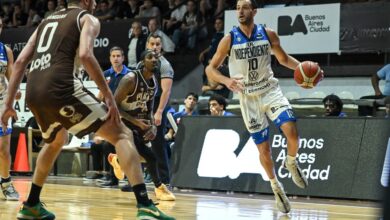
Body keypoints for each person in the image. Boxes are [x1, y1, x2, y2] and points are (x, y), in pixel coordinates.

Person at [1, 1, 174, 219]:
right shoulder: (86, 18)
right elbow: (85, 54)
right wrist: (109, 96)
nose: (95, 3)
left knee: (56, 140)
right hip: (62, 85)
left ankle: (31, 204)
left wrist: (7, 104)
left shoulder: (45, 21)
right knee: (122, 134)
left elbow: (20, 63)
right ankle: (145, 205)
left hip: (34, 91)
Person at [206, 0, 313, 213]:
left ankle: (291, 162)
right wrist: (226, 81)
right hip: (248, 99)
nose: (240, 11)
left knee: (291, 129)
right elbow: (211, 69)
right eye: (237, 8)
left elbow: (283, 59)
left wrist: (304, 69)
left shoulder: (268, 34)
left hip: (270, 91)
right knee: (264, 149)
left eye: (245, 7)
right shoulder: (229, 39)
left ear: (254, 11)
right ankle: (276, 187)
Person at [111, 49, 175, 200]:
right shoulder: (130, 79)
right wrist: (136, 122)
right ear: (142, 62)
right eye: (150, 57)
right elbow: (113, 106)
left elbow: (150, 109)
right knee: (147, 156)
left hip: (137, 123)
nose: (154, 60)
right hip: (121, 121)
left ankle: (117, 160)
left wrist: (152, 126)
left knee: (145, 156)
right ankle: (156, 190)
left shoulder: (154, 83)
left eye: (157, 58)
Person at [145, 34, 174, 185]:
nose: (155, 47)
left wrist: (159, 112)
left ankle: (164, 179)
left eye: (157, 44)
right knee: (136, 141)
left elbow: (166, 92)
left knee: (157, 143)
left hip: (157, 105)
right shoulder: (142, 63)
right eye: (152, 44)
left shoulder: (164, 65)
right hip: (144, 104)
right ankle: (139, 178)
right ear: (147, 45)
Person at [0, 17, 20, 201]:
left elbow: (11, 76)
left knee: (3, 148)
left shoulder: (5, 51)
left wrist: (16, 91)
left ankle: (6, 183)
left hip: (1, 102)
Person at [199, 17, 230, 98]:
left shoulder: (225, 36)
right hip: (210, 62)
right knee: (207, 79)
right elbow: (211, 46)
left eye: (219, 23)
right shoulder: (215, 35)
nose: (217, 25)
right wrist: (203, 52)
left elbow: (223, 50)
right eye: (216, 23)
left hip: (216, 61)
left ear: (223, 24)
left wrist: (216, 61)